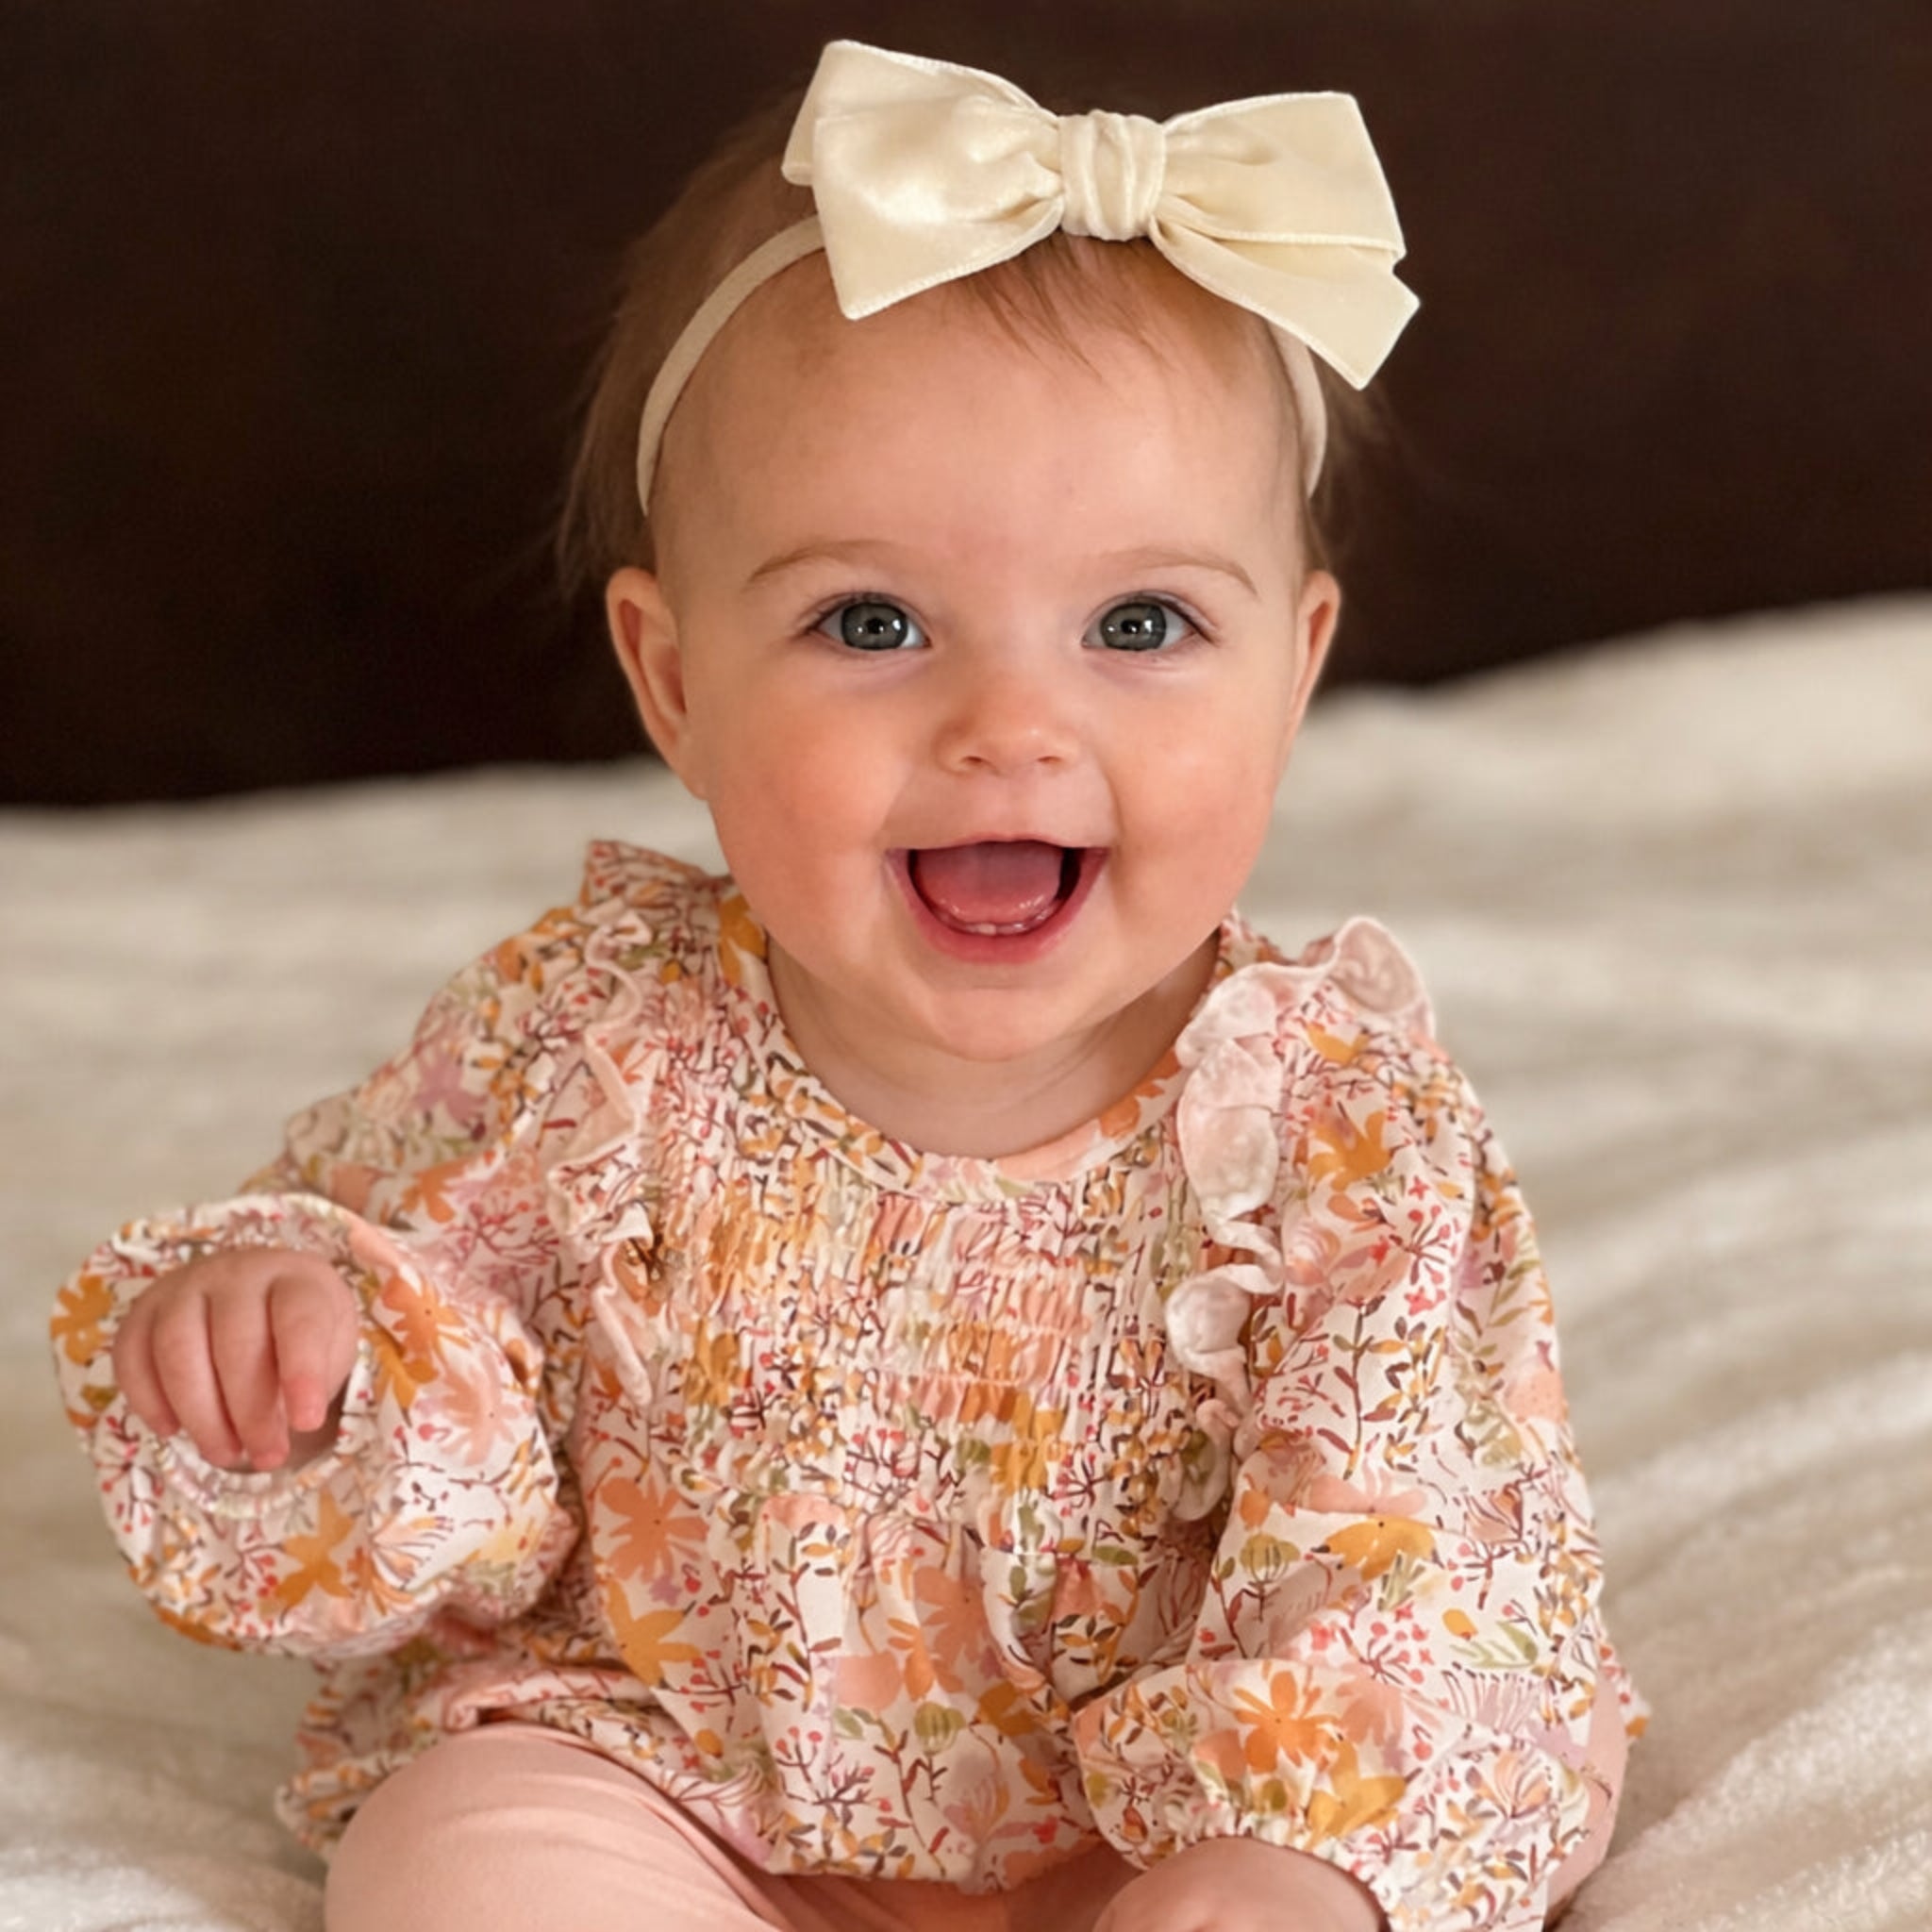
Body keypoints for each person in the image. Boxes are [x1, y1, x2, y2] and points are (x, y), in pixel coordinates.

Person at [49, 39, 1640, 1932]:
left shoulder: (1335, 1135)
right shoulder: (585, 1048)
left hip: (1154, 1819)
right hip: (670, 1780)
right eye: (867, 622)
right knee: (461, 1841)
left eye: (1142, 624)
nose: (1007, 725)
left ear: (1291, 672)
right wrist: (309, 1355)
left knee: (1292, 1883)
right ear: (673, 681)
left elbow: (1417, 1559)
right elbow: (453, 1443)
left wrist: (1292, 1853)